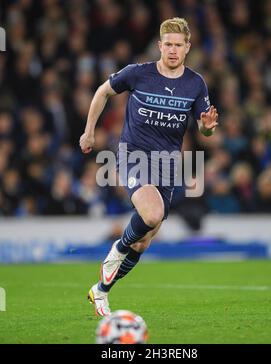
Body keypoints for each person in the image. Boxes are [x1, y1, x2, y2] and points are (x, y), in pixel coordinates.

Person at [79, 17, 218, 317]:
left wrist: (207, 128)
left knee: (142, 244)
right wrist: (89, 132)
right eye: (167, 44)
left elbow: (204, 130)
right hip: (134, 155)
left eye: (178, 45)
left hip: (167, 164)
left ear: (187, 48)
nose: (172, 50)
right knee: (151, 214)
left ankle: (100, 291)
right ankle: (116, 249)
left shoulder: (195, 84)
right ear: (159, 45)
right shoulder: (137, 73)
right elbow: (102, 91)